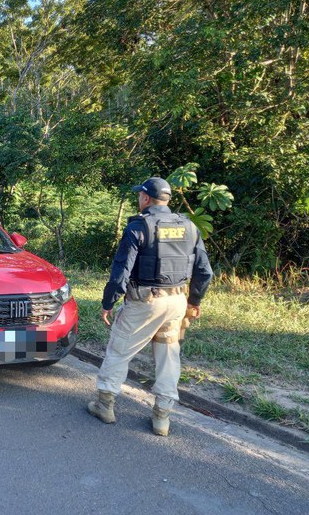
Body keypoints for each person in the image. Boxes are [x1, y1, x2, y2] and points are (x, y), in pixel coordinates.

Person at [87, 177, 213, 436]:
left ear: (145, 198)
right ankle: (162, 418)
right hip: (176, 302)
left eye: (139, 196)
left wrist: (108, 302)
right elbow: (204, 271)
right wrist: (194, 302)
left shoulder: (139, 227)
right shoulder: (189, 227)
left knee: (119, 350)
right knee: (168, 357)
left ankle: (104, 405)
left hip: (145, 302)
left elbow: (121, 271)